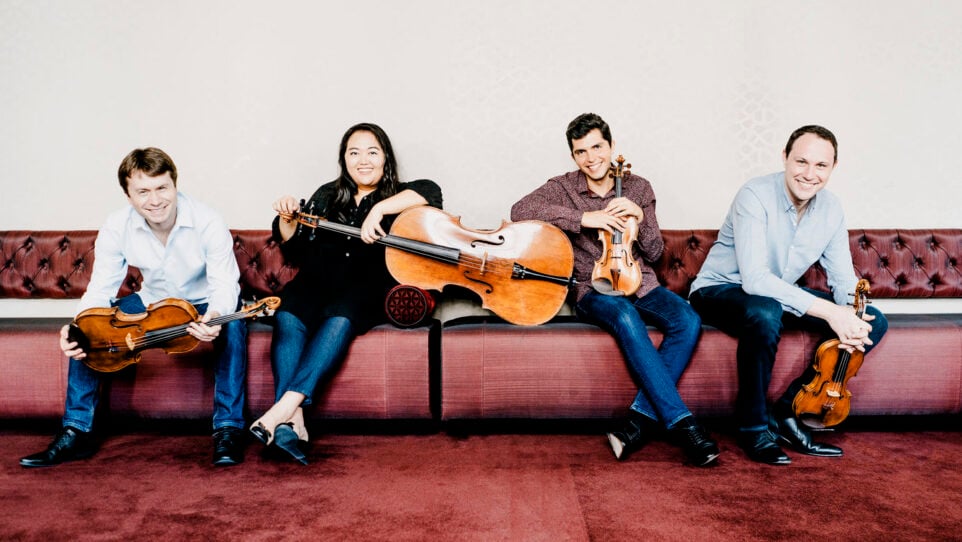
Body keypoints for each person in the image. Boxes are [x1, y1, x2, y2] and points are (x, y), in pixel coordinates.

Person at [511, 113, 719, 466]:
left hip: (642, 283)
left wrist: (639, 217)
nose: (591, 158)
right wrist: (583, 219)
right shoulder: (562, 188)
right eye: (581, 152)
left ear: (610, 145)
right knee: (623, 314)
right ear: (573, 156)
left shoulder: (638, 187)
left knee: (687, 318)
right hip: (593, 288)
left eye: (597, 147)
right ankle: (684, 425)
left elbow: (654, 253)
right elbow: (520, 210)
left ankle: (637, 423)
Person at [20, 147, 249, 468]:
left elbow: (224, 282)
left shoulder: (207, 219)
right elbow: (101, 287)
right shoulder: (117, 225)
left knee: (233, 320)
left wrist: (214, 316)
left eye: (161, 188)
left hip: (204, 300)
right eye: (143, 191)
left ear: (174, 185)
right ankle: (77, 430)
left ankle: (229, 429)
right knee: (89, 329)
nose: (155, 200)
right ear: (128, 195)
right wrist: (77, 326)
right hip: (152, 300)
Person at [688, 125, 888, 465]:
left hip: (777, 296)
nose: (809, 174)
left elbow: (842, 279)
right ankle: (752, 427)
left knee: (875, 322)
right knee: (765, 310)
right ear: (784, 157)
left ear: (833, 168)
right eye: (801, 162)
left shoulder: (831, 209)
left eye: (821, 166)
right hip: (718, 290)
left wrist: (852, 310)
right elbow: (754, 280)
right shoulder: (754, 194)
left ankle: (787, 410)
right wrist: (830, 312)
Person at [249, 122, 442, 464]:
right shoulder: (327, 194)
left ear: (386, 157)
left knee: (340, 316)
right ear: (344, 159)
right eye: (354, 152)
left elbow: (433, 192)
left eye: (372, 151)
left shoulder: (400, 194)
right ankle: (291, 421)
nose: (362, 160)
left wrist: (379, 210)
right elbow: (295, 248)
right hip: (317, 282)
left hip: (366, 288)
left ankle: (281, 409)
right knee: (289, 314)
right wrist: (287, 216)